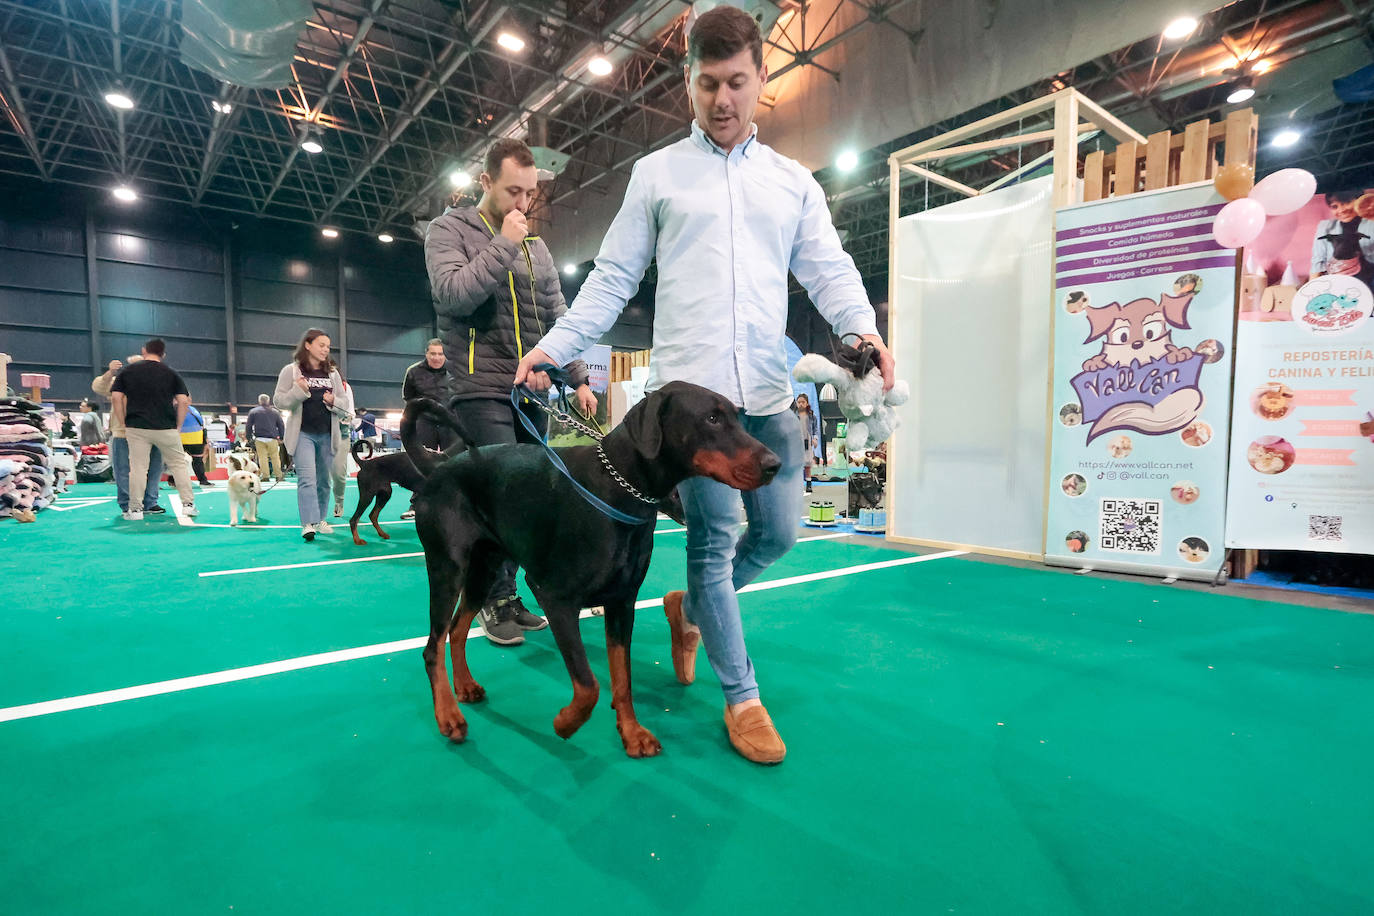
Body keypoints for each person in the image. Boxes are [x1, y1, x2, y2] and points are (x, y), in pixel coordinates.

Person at [514, 6, 895, 764]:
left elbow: (827, 269)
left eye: (738, 83)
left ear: (761, 80)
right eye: (708, 83)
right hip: (689, 412)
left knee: (781, 533)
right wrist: (553, 347)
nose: (723, 100)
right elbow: (614, 276)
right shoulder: (656, 174)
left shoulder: (793, 183)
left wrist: (863, 331)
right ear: (687, 81)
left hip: (765, 392)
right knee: (715, 539)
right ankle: (742, 697)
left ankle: (691, 612)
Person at [425, 136, 598, 646]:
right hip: (479, 387)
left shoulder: (538, 248)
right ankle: (492, 600)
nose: (523, 204)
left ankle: (514, 593)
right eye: (512, 191)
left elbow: (556, 316)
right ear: (485, 182)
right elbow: (452, 295)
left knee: (531, 499)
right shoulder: (447, 230)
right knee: (496, 501)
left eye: (529, 193)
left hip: (533, 390)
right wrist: (502, 242)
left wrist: (580, 377)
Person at [109, 338, 199, 521]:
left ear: (144, 350)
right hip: (166, 427)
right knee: (178, 466)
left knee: (138, 469)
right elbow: (183, 401)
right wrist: (179, 425)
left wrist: (123, 421)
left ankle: (135, 510)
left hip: (136, 427)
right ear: (163, 354)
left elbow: (116, 398)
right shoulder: (171, 373)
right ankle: (188, 505)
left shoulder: (127, 371)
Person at [274, 328, 348, 542]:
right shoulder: (291, 371)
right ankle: (308, 523)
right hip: (303, 434)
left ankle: (321, 518)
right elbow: (279, 401)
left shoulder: (333, 374)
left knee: (324, 481)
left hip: (327, 434)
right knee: (307, 479)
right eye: (321, 345)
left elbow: (344, 404)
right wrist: (298, 391)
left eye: (328, 346)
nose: (326, 350)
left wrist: (334, 402)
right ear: (308, 345)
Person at [93, 357, 163, 516]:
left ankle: (150, 502)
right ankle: (127, 503)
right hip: (123, 432)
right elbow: (98, 386)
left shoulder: (159, 382)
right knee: (123, 469)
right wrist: (110, 372)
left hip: (154, 431)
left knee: (154, 468)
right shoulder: (120, 382)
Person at [398, 338, 460, 520]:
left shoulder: (455, 371)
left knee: (454, 463)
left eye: (440, 354)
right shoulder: (413, 372)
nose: (437, 357)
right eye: (433, 353)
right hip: (424, 423)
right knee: (420, 463)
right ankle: (416, 504)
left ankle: (455, 503)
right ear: (426, 353)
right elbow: (408, 398)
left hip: (450, 423)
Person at [329, 378, 355, 518]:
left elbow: (350, 412)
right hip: (317, 433)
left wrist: (345, 417)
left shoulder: (345, 387)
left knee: (338, 473)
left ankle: (339, 501)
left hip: (341, 434)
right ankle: (315, 513)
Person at [246, 394, 286, 482]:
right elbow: (281, 425)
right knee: (275, 457)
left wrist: (248, 437)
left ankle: (265, 476)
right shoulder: (275, 412)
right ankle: (278, 476)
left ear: (259, 401)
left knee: (262, 458)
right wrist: (282, 437)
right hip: (272, 438)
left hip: (259, 438)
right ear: (268, 401)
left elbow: (248, 425)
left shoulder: (253, 412)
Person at [179, 401, 213, 487]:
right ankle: (172, 480)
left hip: (196, 440)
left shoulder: (194, 410)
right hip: (180, 439)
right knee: (176, 461)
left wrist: (205, 440)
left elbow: (202, 425)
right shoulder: (175, 409)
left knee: (198, 461)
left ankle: (203, 480)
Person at [794, 393, 820, 493]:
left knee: (807, 464)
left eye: (803, 402)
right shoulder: (793, 415)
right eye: (799, 402)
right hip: (796, 442)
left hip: (807, 442)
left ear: (807, 403)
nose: (801, 404)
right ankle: (798, 485)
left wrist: (815, 439)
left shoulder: (812, 416)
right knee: (797, 464)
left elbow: (815, 429)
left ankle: (809, 484)